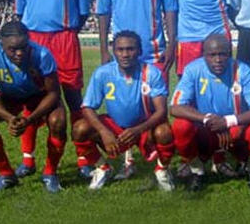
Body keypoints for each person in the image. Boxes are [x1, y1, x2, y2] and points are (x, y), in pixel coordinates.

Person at [96, 0, 177, 179]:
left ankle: (161, 166)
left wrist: (172, 43)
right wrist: (103, 49)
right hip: (122, 53)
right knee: (126, 106)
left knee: (155, 111)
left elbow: (171, 9)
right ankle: (129, 159)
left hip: (153, 51)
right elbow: (103, 11)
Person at [13, 0, 90, 178]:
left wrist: (65, 33)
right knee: (32, 98)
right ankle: (27, 160)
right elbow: (20, 12)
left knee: (73, 99)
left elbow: (83, 11)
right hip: (34, 40)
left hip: (65, 39)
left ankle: (83, 158)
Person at [75, 30, 175, 190]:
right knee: (80, 128)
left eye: (130, 49)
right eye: (120, 50)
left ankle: (162, 170)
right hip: (116, 127)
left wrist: (139, 129)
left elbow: (161, 111)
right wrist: (104, 132)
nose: (125, 54)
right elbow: (87, 107)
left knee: (164, 132)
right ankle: (102, 168)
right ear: (113, 51)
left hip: (143, 127)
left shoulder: (152, 73)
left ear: (140, 51)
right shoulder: (103, 73)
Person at [170, 34, 250, 191]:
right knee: (181, 126)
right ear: (204, 55)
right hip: (206, 128)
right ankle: (197, 170)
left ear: (230, 53)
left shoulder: (242, 70)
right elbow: (175, 107)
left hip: (236, 129)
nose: (218, 59)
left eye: (223, 54)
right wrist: (206, 118)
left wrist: (228, 121)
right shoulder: (193, 69)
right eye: (212, 55)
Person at [0, 21, 66, 193]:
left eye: (23, 47)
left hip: (40, 96)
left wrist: (29, 120)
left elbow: (53, 93)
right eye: (13, 49)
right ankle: (6, 174)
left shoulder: (42, 55)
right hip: (9, 96)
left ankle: (50, 173)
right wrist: (9, 118)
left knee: (58, 121)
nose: (19, 53)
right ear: (1, 43)